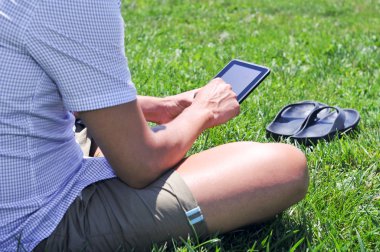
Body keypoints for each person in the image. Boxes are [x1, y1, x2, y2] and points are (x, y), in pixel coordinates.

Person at [0, 0, 308, 251]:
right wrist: (202, 112)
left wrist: (161, 107)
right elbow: (139, 166)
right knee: (283, 167)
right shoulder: (72, 5)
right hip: (33, 222)